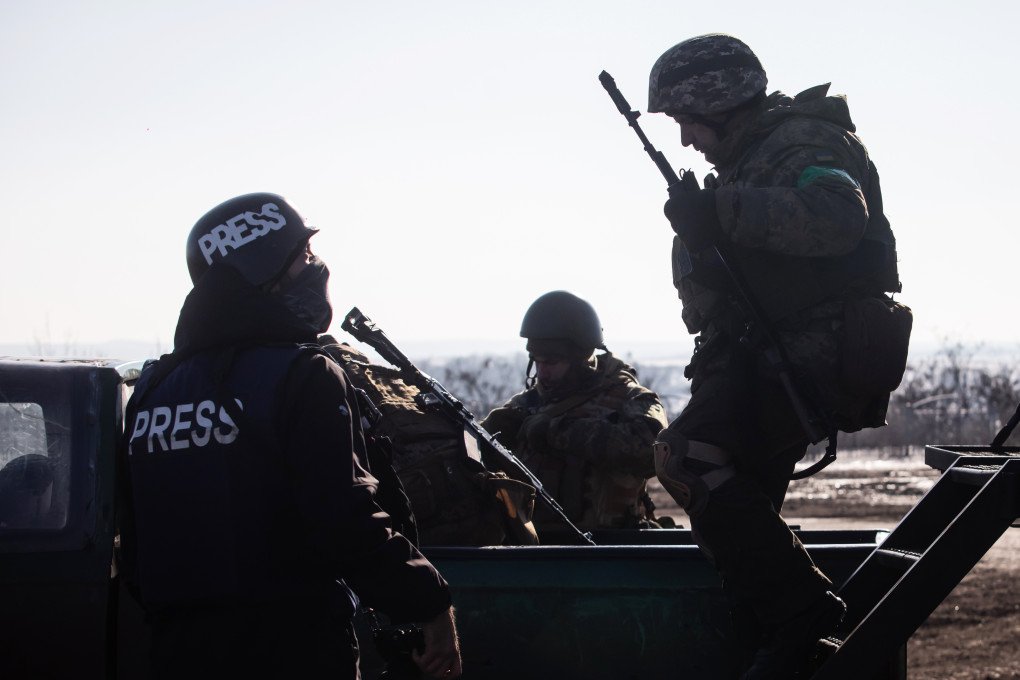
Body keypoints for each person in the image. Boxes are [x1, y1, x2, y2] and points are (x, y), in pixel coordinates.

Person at [646, 34, 906, 678]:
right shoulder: (746, 160)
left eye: (686, 120)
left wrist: (721, 212)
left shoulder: (804, 143)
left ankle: (803, 614)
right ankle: (776, 636)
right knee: (739, 503)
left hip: (814, 350)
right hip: (762, 352)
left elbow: (838, 214)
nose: (685, 140)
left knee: (688, 458)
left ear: (720, 100)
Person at [118, 193, 461, 680]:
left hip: (178, 651)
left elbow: (135, 549)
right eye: (302, 257)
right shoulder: (303, 374)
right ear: (265, 272)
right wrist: (430, 603)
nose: (316, 267)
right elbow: (345, 521)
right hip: (293, 646)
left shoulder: (152, 389)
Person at [481, 290, 668, 534]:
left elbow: (653, 453)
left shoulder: (629, 398)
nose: (543, 372)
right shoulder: (526, 405)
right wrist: (487, 439)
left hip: (612, 547)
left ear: (581, 357)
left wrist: (556, 431)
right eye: (538, 361)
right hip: (535, 548)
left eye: (552, 362)